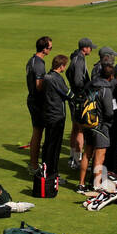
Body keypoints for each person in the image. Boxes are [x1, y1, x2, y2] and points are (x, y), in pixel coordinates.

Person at [79, 63, 117, 193]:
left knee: (87, 153)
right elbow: (109, 112)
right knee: (100, 156)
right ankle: (96, 185)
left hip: (87, 124)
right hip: (100, 126)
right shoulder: (106, 89)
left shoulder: (90, 84)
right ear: (111, 76)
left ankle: (81, 184)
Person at [40, 54, 72, 183]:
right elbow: (68, 94)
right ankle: (53, 175)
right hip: (57, 116)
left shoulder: (47, 76)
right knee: (54, 147)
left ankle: (45, 171)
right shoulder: (57, 78)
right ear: (61, 66)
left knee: (48, 145)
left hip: (48, 114)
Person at [24, 36, 53, 172]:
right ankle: (34, 166)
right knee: (38, 133)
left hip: (32, 99)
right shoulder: (39, 63)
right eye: (50, 48)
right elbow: (39, 85)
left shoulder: (32, 60)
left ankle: (34, 164)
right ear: (44, 48)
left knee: (37, 132)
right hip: (37, 101)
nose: (50, 50)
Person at [67, 38, 94, 171]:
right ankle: (77, 159)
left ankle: (72, 157)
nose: (91, 49)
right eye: (90, 47)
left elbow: (68, 73)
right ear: (85, 48)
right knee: (80, 129)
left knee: (75, 128)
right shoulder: (79, 60)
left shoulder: (75, 57)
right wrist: (85, 91)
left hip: (75, 97)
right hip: (79, 98)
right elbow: (78, 81)